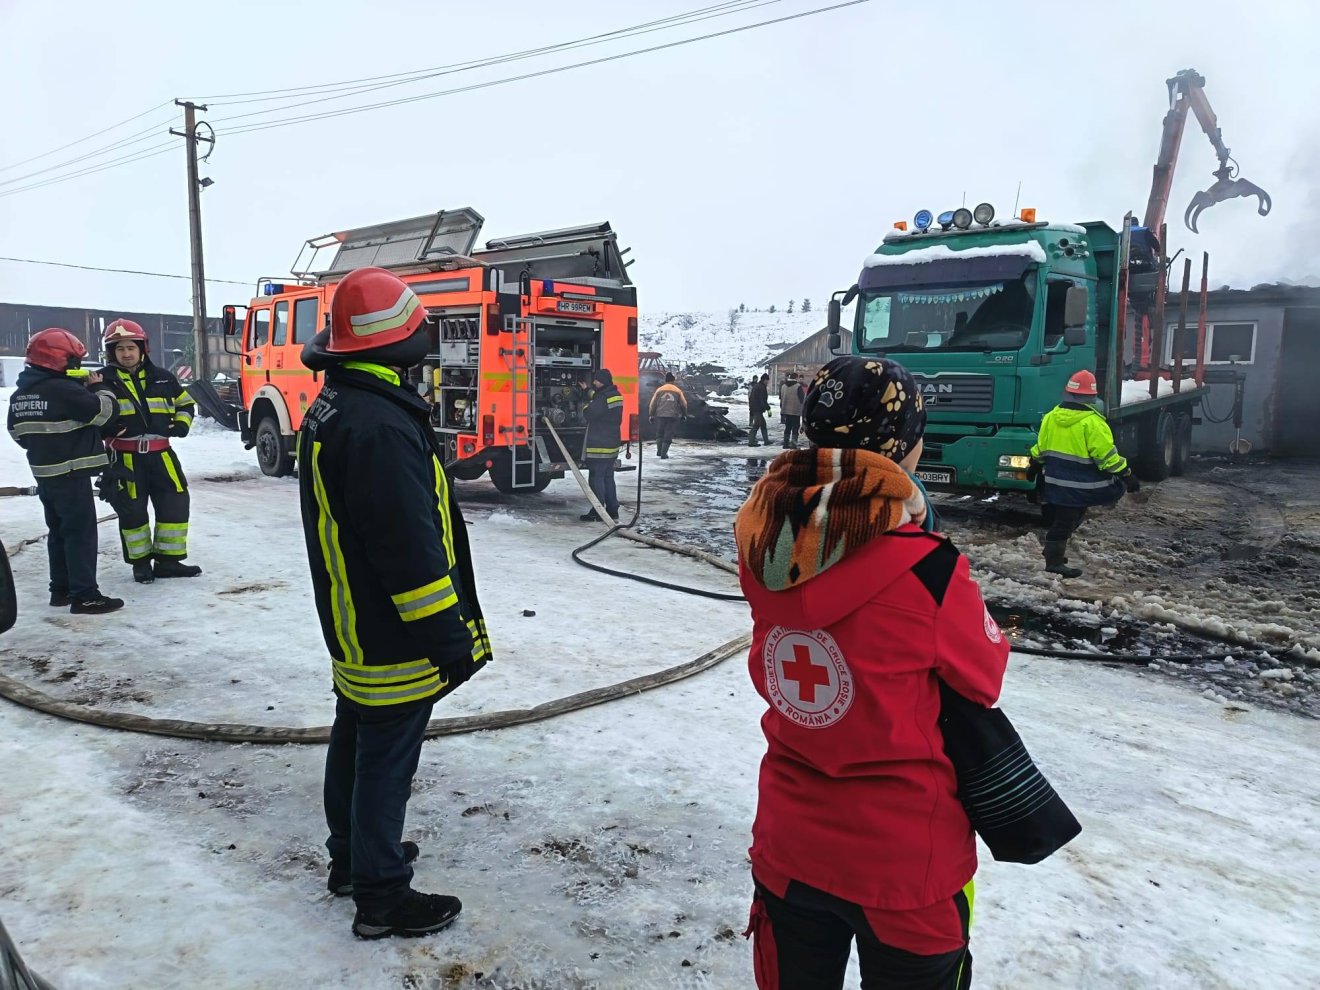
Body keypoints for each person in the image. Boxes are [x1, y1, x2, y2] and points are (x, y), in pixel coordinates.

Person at [735, 356, 1008, 990]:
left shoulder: (760, 549)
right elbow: (983, 680)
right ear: (899, 449)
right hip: (904, 864)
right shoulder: (930, 570)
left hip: (789, 843)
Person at [298, 266, 492, 940]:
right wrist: (448, 637)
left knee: (355, 735)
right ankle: (381, 895)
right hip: (392, 634)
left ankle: (353, 861)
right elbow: (407, 548)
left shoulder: (342, 403)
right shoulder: (378, 424)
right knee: (386, 758)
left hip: (356, 623)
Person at [6, 329, 124, 615]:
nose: (77, 367)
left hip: (45, 475)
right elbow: (107, 412)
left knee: (58, 532)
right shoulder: (63, 389)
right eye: (74, 360)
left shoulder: (21, 395)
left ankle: (60, 590)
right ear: (59, 359)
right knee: (80, 533)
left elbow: (17, 433)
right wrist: (98, 388)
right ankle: (86, 596)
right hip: (72, 474)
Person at [97, 319, 201, 583]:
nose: (126, 353)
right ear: (112, 353)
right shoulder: (102, 381)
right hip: (125, 457)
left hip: (162, 454)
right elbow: (92, 415)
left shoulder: (164, 377)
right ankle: (140, 564)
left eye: (131, 347)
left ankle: (168, 561)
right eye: (119, 349)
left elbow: (186, 404)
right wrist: (106, 426)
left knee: (175, 503)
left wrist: (181, 423)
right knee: (133, 511)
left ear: (142, 348)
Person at [1030, 369, 1139, 578]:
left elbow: (1040, 448)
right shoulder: (1093, 423)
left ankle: (1054, 553)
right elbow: (1107, 458)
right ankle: (1053, 561)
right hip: (1082, 485)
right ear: (1091, 397)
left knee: (1069, 517)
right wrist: (1127, 475)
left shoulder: (1051, 417)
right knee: (1066, 521)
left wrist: (1032, 465)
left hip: (1055, 483)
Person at [579, 368, 624, 522]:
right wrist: (587, 391)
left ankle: (598, 511)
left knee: (596, 477)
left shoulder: (602, 398)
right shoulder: (615, 395)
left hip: (599, 444)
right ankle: (612, 510)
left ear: (602, 381)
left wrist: (585, 405)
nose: (594, 382)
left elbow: (590, 413)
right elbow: (598, 398)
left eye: (596, 380)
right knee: (608, 477)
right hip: (611, 443)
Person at [648, 371, 687, 459]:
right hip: (672, 416)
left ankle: (659, 451)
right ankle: (663, 453)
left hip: (660, 415)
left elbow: (652, 404)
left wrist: (651, 415)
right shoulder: (677, 390)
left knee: (660, 432)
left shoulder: (659, 390)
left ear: (665, 380)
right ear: (673, 380)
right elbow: (684, 404)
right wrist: (684, 414)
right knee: (668, 434)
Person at [778, 374, 805, 448]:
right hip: (795, 410)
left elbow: (781, 397)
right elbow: (802, 399)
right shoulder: (798, 386)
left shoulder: (783, 386)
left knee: (788, 427)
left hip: (786, 410)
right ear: (796, 378)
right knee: (795, 427)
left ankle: (785, 443)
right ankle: (793, 443)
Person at [748, 373, 771, 447]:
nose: (768, 382)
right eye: (767, 381)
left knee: (763, 425)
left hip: (755, 408)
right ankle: (751, 442)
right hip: (757, 409)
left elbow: (751, 397)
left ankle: (766, 441)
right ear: (764, 380)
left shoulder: (757, 386)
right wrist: (767, 407)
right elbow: (762, 399)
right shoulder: (761, 387)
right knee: (756, 425)